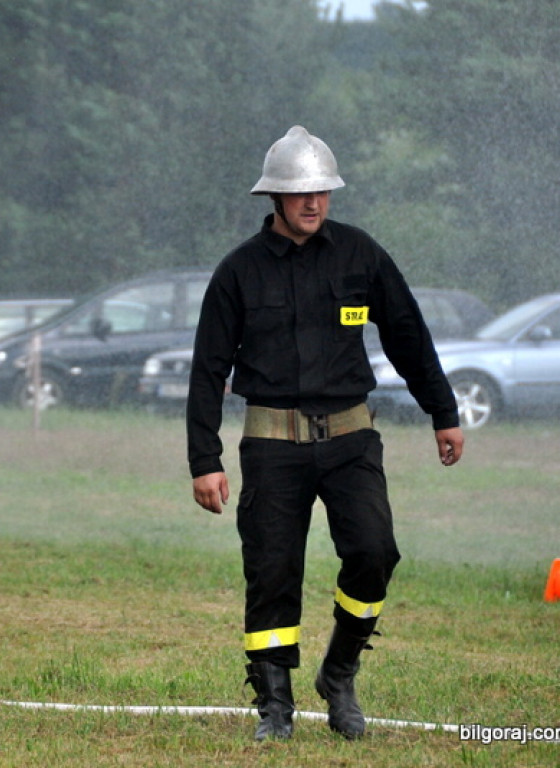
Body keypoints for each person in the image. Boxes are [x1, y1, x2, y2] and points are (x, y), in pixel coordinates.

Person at [186, 126, 464, 740]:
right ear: (275, 199)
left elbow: (408, 336)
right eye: (301, 193)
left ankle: (338, 674)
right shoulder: (238, 272)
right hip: (272, 443)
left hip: (350, 439)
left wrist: (442, 411)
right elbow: (208, 370)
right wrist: (204, 459)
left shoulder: (361, 256)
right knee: (272, 572)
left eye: (323, 191)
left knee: (374, 552)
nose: (313, 202)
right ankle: (275, 707)